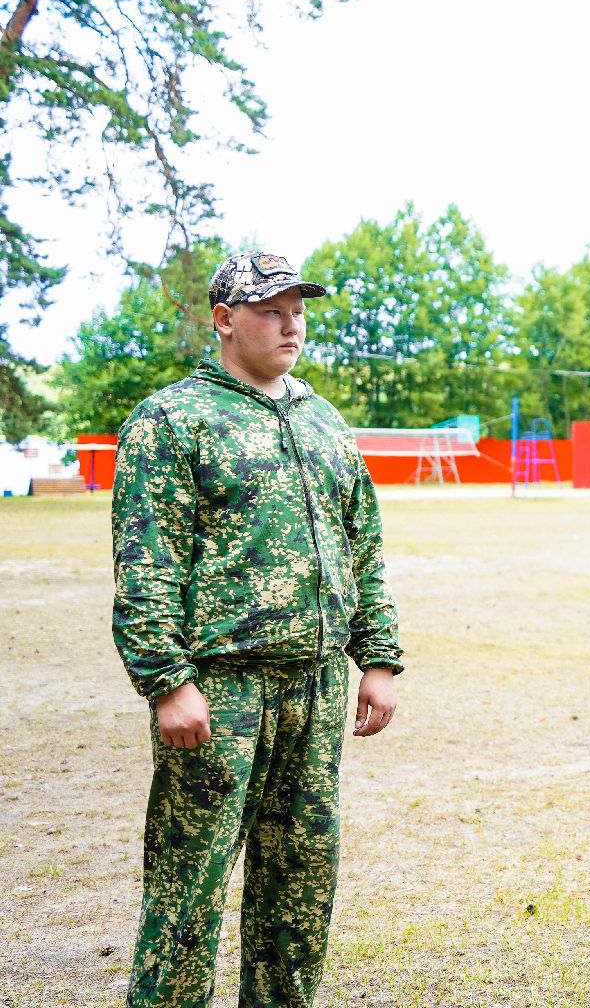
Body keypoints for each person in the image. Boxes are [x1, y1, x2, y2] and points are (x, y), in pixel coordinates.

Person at [112, 250, 403, 1007]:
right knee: (189, 887)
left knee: (300, 886)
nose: (290, 325)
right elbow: (146, 563)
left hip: (315, 685)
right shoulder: (172, 420)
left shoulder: (323, 420)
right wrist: (167, 682)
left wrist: (377, 659)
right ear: (224, 319)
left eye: (297, 311)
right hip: (221, 691)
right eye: (271, 311)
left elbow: (362, 547)